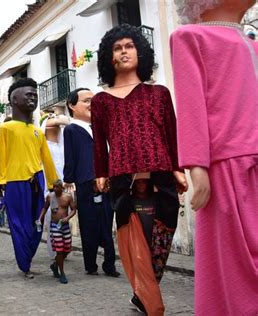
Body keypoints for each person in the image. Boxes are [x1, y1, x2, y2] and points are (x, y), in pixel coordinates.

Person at [92, 24, 188, 315]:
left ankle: (143, 291)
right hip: (122, 175)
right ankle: (149, 300)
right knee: (132, 238)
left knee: (162, 236)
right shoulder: (101, 100)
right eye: (117, 48)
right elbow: (99, 143)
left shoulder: (159, 93)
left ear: (140, 52)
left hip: (160, 170)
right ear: (109, 58)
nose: (123, 52)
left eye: (129, 46)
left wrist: (178, 167)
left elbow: (172, 133)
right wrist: (101, 172)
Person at [170, 1, 257, 314]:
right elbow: (191, 105)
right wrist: (197, 165)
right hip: (225, 169)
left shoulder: (253, 45)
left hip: (254, 164)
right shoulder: (190, 37)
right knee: (231, 266)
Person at [0, 78, 57, 278]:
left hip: (37, 181)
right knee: (19, 224)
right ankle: (25, 264)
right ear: (14, 99)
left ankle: (27, 258)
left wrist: (55, 181)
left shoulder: (38, 131)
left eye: (35, 95)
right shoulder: (7, 128)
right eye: (28, 94)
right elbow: (1, 154)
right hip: (15, 182)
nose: (33, 97)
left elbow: (46, 159)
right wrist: (0, 179)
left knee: (37, 223)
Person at [64, 88, 120, 277]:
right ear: (72, 106)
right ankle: (91, 264)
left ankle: (110, 264)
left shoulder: (101, 126)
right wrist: (68, 180)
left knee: (107, 220)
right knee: (88, 223)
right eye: (86, 101)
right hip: (85, 182)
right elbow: (70, 157)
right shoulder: (71, 129)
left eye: (94, 100)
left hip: (107, 180)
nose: (92, 104)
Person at [40, 110, 70, 260]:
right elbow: (63, 120)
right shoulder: (44, 146)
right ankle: (55, 251)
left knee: (65, 219)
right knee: (53, 219)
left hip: (66, 188)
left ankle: (64, 248)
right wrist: (54, 118)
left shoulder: (62, 146)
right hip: (51, 190)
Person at [39, 179, 76, 284]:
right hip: (55, 225)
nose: (55, 189)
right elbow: (45, 208)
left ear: (61, 187)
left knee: (67, 249)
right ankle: (62, 273)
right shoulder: (50, 197)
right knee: (59, 249)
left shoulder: (67, 197)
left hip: (64, 225)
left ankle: (55, 265)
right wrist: (40, 218)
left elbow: (74, 209)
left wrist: (68, 218)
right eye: (54, 187)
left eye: (57, 187)